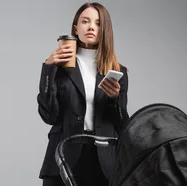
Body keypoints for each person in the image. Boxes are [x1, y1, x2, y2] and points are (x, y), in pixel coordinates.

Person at [36, 2, 129, 186]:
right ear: (75, 28)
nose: (91, 27)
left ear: (105, 30)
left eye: (98, 23)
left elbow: (122, 124)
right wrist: (48, 69)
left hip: (104, 161)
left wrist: (114, 99)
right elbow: (49, 116)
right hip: (63, 155)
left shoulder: (119, 71)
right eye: (85, 21)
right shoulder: (59, 67)